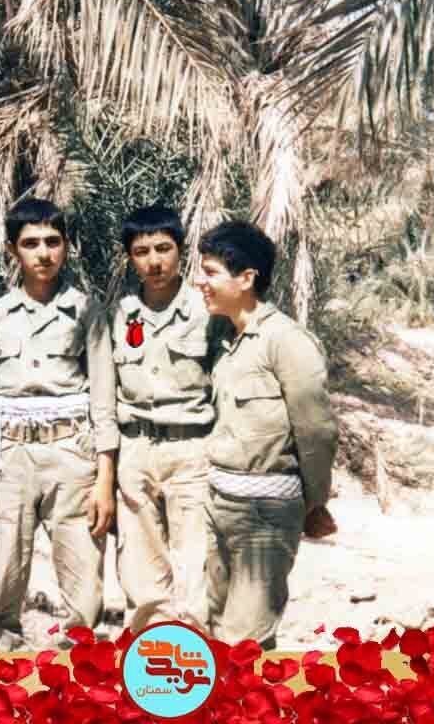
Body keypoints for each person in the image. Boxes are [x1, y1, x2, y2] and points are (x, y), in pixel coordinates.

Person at [0, 197, 117, 649]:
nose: (43, 253)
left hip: (72, 453)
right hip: (10, 457)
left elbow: (104, 399)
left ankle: (79, 660)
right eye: (31, 243)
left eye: (53, 241)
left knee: (83, 572)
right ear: (12, 250)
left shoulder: (87, 311)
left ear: (66, 246)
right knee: (3, 570)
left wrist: (104, 479)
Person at [194, 220, 339, 650]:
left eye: (211, 272)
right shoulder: (224, 337)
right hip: (220, 505)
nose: (200, 282)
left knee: (244, 641)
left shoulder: (287, 341)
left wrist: (315, 503)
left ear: (246, 279)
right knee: (217, 629)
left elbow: (316, 431)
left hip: (265, 514)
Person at [110, 205, 227, 632]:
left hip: (191, 450)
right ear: (130, 258)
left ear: (181, 250)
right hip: (135, 448)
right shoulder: (121, 313)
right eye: (141, 252)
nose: (154, 261)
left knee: (195, 568)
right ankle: (148, 652)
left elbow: (225, 384)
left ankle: (195, 653)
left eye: (164, 248)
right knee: (141, 572)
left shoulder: (207, 310)